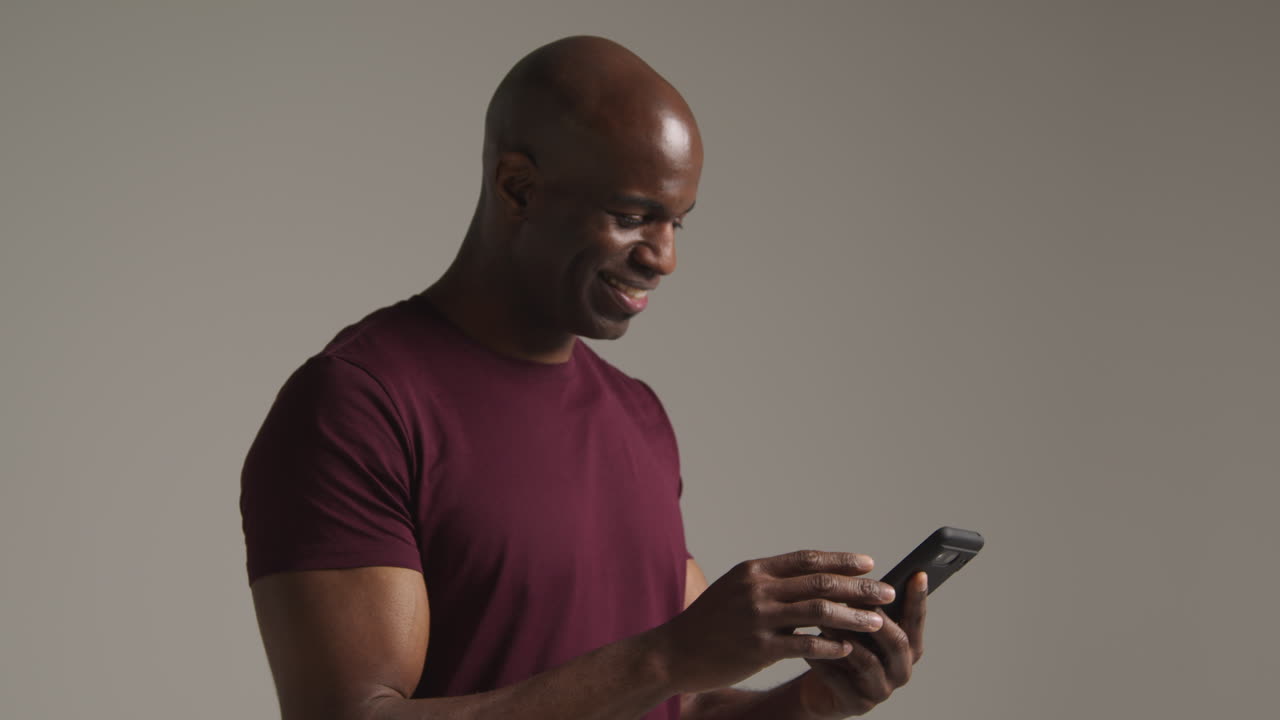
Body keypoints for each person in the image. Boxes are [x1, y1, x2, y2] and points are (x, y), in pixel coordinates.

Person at [240, 35, 927, 720]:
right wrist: (667, 656)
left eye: (677, 223)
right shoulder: (358, 404)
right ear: (519, 189)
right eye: (633, 217)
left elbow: (678, 706)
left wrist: (811, 700)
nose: (664, 258)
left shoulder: (638, 417)